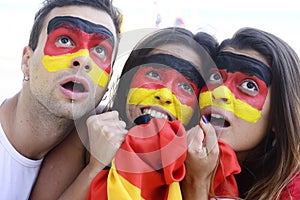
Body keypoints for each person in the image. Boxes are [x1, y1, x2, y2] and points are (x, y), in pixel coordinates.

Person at [0, 0, 124, 199]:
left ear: (107, 84)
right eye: (65, 40)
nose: (84, 59)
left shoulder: (98, 144)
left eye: (99, 50)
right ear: (26, 61)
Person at [87, 27, 219, 199]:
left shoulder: (207, 166)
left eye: (186, 86)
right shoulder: (91, 129)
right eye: (154, 74)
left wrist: (198, 181)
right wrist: (96, 165)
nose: (164, 95)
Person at [186, 27, 300, 199]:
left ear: (278, 116)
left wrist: (197, 183)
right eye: (215, 77)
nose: (220, 93)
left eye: (249, 85)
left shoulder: (293, 190)